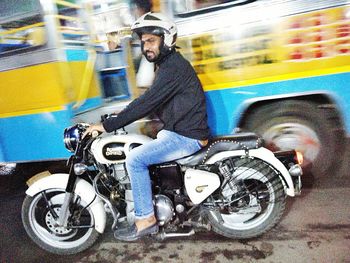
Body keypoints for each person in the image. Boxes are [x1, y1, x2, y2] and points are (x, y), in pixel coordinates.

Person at [84, 12, 210, 241]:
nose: (145, 47)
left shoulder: (173, 67)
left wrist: (107, 125)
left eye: (151, 41)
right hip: (177, 131)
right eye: (143, 42)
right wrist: (119, 115)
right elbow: (150, 100)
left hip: (186, 137)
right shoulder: (166, 65)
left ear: (167, 39)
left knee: (135, 159)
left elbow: (147, 102)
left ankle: (146, 219)